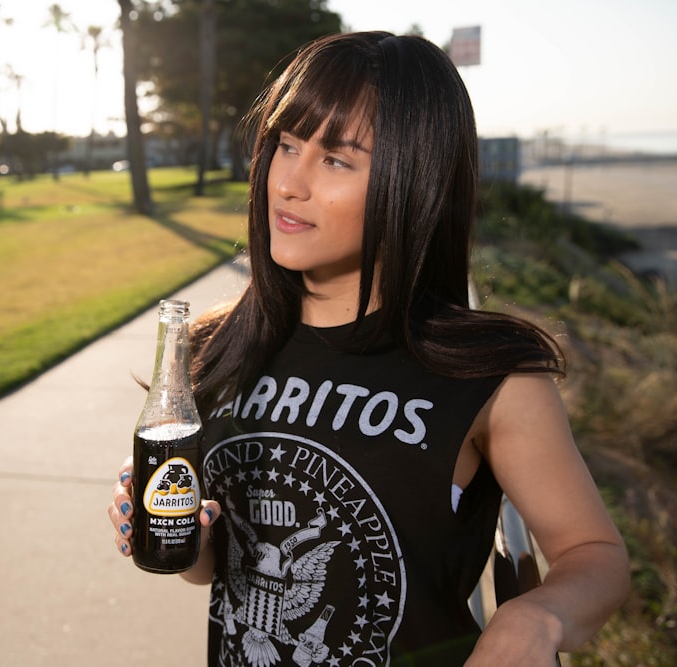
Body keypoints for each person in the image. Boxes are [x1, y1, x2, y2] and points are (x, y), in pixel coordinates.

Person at [108, 31, 628, 666]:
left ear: (415, 180)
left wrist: (538, 613)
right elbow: (222, 574)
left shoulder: (492, 376)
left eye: (336, 159)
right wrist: (183, 539)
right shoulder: (220, 345)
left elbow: (594, 556)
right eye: (287, 145)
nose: (289, 183)